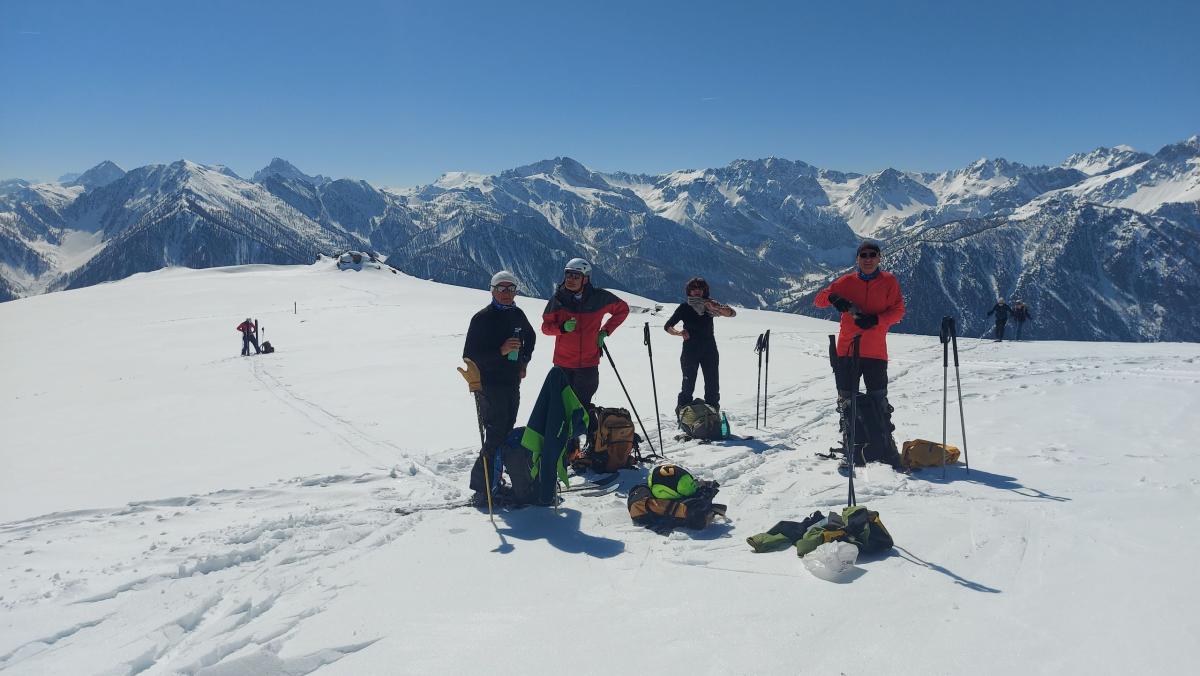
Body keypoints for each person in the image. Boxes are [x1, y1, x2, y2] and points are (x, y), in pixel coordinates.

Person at [813, 240, 905, 464]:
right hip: (847, 351)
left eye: (872, 255)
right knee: (847, 402)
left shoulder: (889, 281)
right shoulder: (846, 282)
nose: (868, 259)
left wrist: (876, 320)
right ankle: (850, 446)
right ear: (857, 259)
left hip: (875, 353)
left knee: (879, 401)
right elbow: (819, 301)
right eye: (863, 255)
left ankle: (886, 445)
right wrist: (833, 297)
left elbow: (898, 311)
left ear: (879, 258)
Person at [462, 271, 535, 503]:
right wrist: (500, 351)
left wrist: (523, 362)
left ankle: (493, 480)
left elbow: (531, 337)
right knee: (495, 434)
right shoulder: (482, 318)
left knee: (505, 431)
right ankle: (483, 488)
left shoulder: (518, 314)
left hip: (511, 382)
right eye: (501, 289)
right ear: (492, 290)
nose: (506, 293)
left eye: (510, 289)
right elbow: (470, 355)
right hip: (489, 385)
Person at [540, 258, 629, 407]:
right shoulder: (558, 300)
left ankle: (585, 423)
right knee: (561, 405)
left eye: (576, 276)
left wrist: (605, 331)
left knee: (582, 404)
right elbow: (545, 327)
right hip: (563, 364)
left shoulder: (599, 298)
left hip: (588, 364)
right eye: (568, 275)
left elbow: (623, 309)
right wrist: (561, 328)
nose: (570, 280)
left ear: (585, 279)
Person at [664, 276, 736, 410]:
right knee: (688, 385)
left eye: (700, 288)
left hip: (709, 350)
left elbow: (731, 314)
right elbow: (668, 326)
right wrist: (679, 333)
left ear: (704, 290)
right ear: (689, 291)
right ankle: (684, 413)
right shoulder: (684, 307)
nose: (697, 290)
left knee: (712, 384)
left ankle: (712, 414)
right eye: (693, 288)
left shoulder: (710, 305)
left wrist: (717, 307)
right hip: (690, 350)